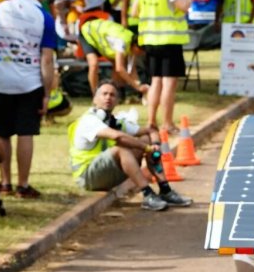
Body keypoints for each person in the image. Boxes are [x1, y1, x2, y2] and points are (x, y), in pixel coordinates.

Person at [69, 82, 191, 211]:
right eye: (104, 94)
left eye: (112, 95)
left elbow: (151, 131)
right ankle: (147, 194)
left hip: (106, 173)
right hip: (88, 177)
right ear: (95, 99)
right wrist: (146, 148)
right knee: (123, 148)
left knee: (146, 139)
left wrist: (155, 146)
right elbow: (117, 137)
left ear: (117, 101)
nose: (108, 97)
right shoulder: (89, 120)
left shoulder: (114, 121)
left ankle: (165, 190)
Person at [0, 0, 59, 201]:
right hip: (29, 83)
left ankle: (5, 182)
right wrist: (47, 93)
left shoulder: (0, 9)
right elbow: (47, 59)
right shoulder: (44, 17)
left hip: (1, 81)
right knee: (25, 133)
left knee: (1, 134)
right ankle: (23, 185)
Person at [132, 0, 189, 135]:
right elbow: (182, 5)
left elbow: (134, 12)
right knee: (169, 82)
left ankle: (150, 121)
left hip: (150, 39)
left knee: (155, 80)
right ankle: (167, 123)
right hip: (169, 39)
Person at [80, 13, 149, 95]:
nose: (141, 54)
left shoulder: (131, 43)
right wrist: (137, 87)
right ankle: (95, 95)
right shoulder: (122, 42)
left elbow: (132, 70)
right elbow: (119, 68)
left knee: (119, 63)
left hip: (101, 40)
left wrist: (140, 87)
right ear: (135, 46)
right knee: (94, 64)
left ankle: (114, 92)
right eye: (141, 51)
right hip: (88, 33)